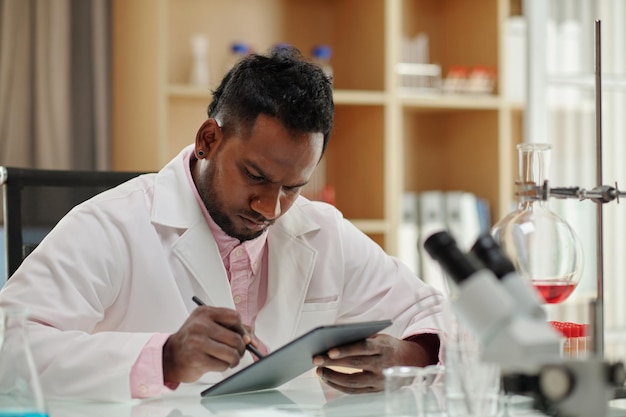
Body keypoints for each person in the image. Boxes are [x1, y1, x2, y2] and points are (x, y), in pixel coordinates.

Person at [0, 46, 443, 401]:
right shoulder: (112, 224)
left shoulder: (320, 230)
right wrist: (164, 358)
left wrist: (408, 354)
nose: (271, 209)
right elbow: (9, 349)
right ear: (208, 139)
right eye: (256, 176)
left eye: (293, 187)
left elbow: (438, 314)